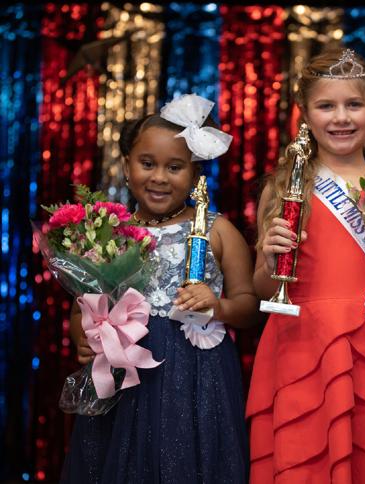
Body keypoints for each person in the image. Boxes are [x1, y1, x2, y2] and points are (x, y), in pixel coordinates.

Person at [247, 49, 365, 483]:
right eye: (326, 105)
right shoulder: (284, 189)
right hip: (304, 349)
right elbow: (263, 289)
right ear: (305, 114)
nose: (341, 117)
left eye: (354, 105)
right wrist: (267, 258)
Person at [61, 94, 258, 483]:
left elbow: (250, 306)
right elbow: (87, 299)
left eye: (175, 167)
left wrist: (216, 306)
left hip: (197, 374)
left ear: (195, 174)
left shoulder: (218, 230)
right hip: (125, 367)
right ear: (127, 164)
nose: (159, 177)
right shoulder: (110, 232)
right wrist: (79, 333)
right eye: (147, 163)